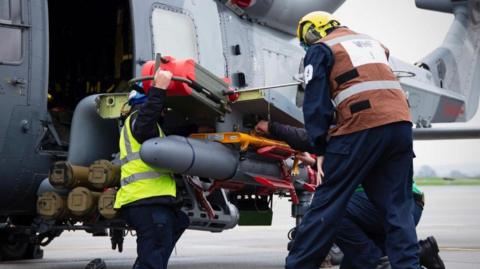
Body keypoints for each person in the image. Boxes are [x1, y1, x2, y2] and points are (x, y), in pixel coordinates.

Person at [285, 11, 420, 269]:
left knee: (327, 204)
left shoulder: (321, 49)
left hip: (361, 127)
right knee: (397, 209)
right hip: (400, 126)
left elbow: (316, 104)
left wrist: (319, 146)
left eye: (306, 40)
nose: (307, 45)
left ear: (314, 32)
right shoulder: (372, 44)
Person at [255, 120, 445, 269]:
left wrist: (271, 126)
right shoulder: (370, 132)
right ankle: (421, 253)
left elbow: (309, 138)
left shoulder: (354, 123)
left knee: (333, 211)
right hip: (401, 206)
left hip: (382, 206)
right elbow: (351, 168)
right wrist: (313, 163)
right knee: (354, 264)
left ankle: (377, 262)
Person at [114, 69, 190, 269]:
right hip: (147, 202)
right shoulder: (140, 121)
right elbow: (147, 120)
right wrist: (158, 90)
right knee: (153, 258)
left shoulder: (148, 129)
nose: (164, 111)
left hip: (149, 203)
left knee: (180, 221)